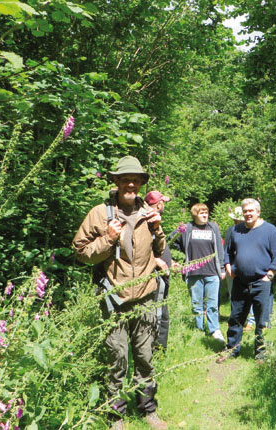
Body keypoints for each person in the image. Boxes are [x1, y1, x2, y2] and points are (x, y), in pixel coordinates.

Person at [73, 156, 168, 430]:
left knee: (145, 356)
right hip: (114, 298)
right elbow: (81, 253)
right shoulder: (100, 214)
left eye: (135, 180)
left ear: (140, 183)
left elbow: (159, 250)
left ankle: (149, 410)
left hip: (147, 296)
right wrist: (108, 239)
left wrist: (158, 228)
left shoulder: (148, 212)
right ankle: (115, 415)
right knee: (117, 357)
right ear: (115, 181)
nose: (130, 184)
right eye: (125, 179)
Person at [217, 198, 276, 363]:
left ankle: (261, 353)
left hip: (261, 282)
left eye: (251, 211)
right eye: (245, 211)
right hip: (240, 282)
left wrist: (269, 275)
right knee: (236, 318)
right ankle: (232, 349)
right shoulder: (236, 230)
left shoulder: (270, 231)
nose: (248, 214)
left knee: (262, 320)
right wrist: (228, 266)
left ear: (258, 212)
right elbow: (227, 252)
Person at [172, 203, 226, 343]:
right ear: (195, 214)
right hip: (193, 273)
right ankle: (199, 329)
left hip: (212, 272)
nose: (205, 215)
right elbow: (171, 241)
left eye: (206, 212)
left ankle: (215, 330)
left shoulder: (213, 228)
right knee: (197, 304)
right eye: (201, 213)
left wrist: (222, 268)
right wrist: (179, 258)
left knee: (212, 304)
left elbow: (219, 248)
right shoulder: (188, 228)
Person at [144, 190, 172, 351]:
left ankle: (159, 350)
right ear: (158, 203)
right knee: (158, 312)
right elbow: (137, 248)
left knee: (162, 311)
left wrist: (169, 260)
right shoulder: (146, 219)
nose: (163, 206)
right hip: (155, 276)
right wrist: (156, 261)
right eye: (162, 202)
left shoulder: (154, 220)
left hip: (162, 275)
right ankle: (156, 350)